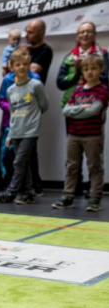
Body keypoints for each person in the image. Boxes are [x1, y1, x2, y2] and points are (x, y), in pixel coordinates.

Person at [52, 54, 108, 213]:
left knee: (94, 167)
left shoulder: (103, 89)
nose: (89, 72)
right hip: (74, 135)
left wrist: (78, 110)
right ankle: (68, 196)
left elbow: (94, 110)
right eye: (86, 69)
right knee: (71, 166)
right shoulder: (77, 90)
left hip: (92, 135)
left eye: (93, 69)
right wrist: (82, 109)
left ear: (101, 70)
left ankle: (94, 198)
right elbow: (66, 110)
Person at [0, 49, 49, 205]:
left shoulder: (36, 85)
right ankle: (28, 192)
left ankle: (11, 192)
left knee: (18, 162)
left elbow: (44, 105)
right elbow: (12, 112)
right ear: (12, 67)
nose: (22, 67)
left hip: (30, 130)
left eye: (25, 64)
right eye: (18, 64)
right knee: (24, 163)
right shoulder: (10, 90)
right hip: (16, 130)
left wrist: (32, 119)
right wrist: (10, 134)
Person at [25, 19, 53, 195]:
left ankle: (36, 183)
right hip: (17, 99)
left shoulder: (45, 51)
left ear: (41, 33)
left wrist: (18, 66)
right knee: (13, 143)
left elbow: (30, 71)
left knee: (29, 144)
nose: (26, 35)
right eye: (26, 31)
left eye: (31, 32)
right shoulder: (24, 50)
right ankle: (15, 181)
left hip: (33, 102)